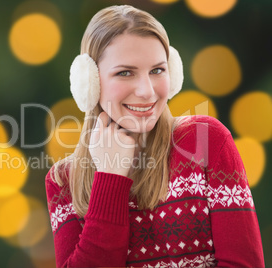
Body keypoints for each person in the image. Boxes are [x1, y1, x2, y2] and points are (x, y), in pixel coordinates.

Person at [45, 5, 264, 268]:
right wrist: (110, 179)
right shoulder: (64, 181)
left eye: (157, 70)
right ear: (89, 83)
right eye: (125, 72)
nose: (147, 92)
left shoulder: (206, 141)